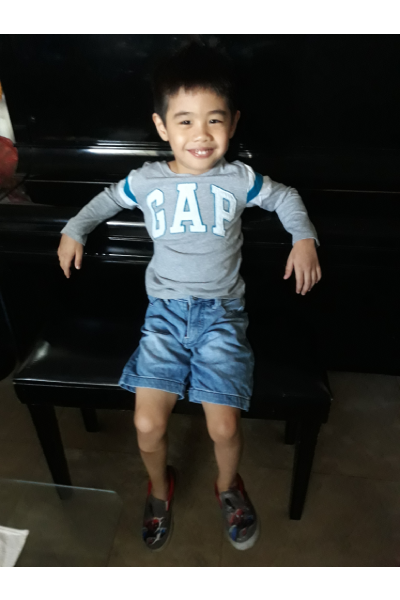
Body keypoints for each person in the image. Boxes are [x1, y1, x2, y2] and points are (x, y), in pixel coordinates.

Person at [58, 43, 322, 552]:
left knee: (223, 425)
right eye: (185, 121)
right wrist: (75, 228)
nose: (201, 134)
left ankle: (228, 485)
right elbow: (107, 199)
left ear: (233, 122)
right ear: (162, 127)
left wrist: (303, 237)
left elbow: (285, 197)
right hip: (164, 316)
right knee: (146, 422)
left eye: (214, 120)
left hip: (222, 316)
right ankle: (160, 489)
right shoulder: (147, 180)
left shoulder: (239, 179)